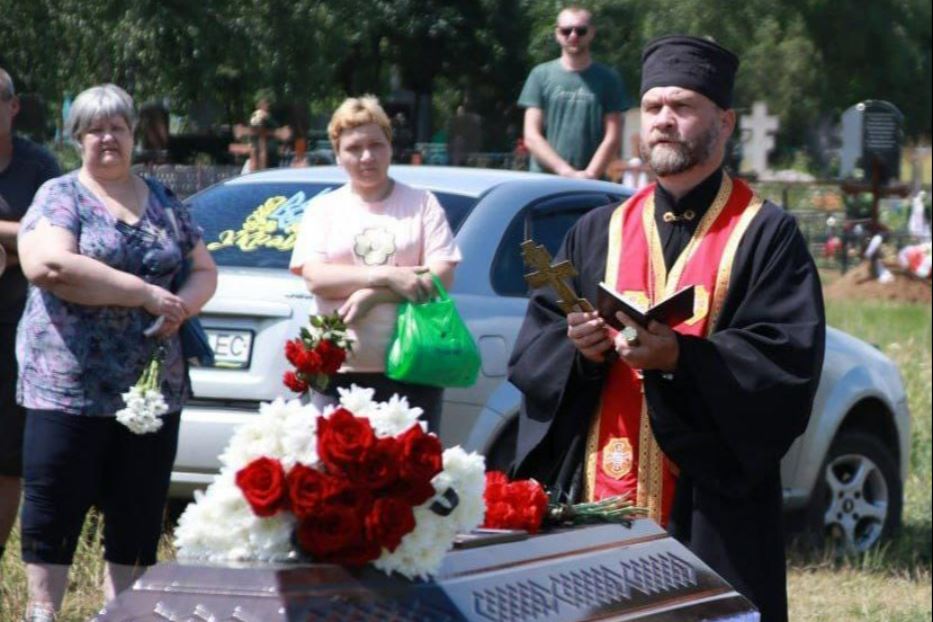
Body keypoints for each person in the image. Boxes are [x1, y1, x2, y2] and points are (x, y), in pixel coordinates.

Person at [508, 36, 825, 622]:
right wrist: (579, 350)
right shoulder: (598, 229)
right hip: (598, 493)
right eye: (653, 108)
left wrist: (680, 357)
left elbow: (784, 361)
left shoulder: (766, 234)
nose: (664, 122)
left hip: (709, 506)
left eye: (682, 106)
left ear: (724, 122)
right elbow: (536, 348)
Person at [15, 84, 217, 619]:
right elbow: (49, 266)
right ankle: (43, 613)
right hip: (68, 387)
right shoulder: (60, 196)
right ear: (77, 137)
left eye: (119, 128)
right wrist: (146, 294)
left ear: (133, 135)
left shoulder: (166, 201)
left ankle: (125, 614)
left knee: (138, 514)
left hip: (151, 391)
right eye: (96, 129)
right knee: (54, 511)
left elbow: (203, 269)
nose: (109, 138)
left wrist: (182, 308)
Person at [289, 96, 461, 433]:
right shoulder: (324, 209)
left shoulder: (422, 204)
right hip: (337, 370)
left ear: (390, 147)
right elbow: (316, 277)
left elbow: (443, 275)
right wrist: (385, 274)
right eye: (354, 148)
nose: (367, 156)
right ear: (338, 154)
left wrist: (376, 295)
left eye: (376, 145)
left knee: (407, 479)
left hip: (414, 367)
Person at [0, 67, 62, 566]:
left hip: (16, 327)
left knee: (5, 459)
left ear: (13, 106)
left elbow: (56, 235)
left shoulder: (39, 167)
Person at [518, 6, 627, 179]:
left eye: (581, 30)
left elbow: (613, 135)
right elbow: (531, 135)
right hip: (544, 181)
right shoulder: (540, 75)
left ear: (591, 33)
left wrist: (590, 175)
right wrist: (566, 172)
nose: (573, 36)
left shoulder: (608, 79)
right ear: (557, 33)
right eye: (566, 30)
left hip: (592, 183)